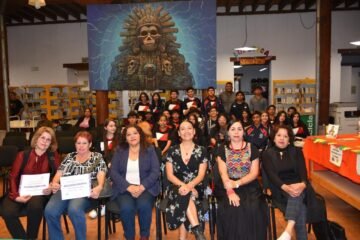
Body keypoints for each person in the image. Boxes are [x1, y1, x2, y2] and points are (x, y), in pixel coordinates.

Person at [44, 131, 107, 240]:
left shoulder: (97, 156)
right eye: (78, 143)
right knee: (50, 211)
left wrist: (100, 186)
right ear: (75, 145)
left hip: (84, 191)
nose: (81, 146)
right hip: (65, 190)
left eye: (84, 143)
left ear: (90, 144)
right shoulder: (69, 156)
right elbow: (59, 173)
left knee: (74, 209)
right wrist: (54, 183)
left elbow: (102, 172)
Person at [1, 127, 60, 239]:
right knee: (7, 212)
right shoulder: (22, 155)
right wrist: (16, 196)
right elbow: (13, 177)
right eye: (42, 138)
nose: (45, 141)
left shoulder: (53, 156)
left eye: (48, 140)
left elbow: (58, 175)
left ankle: (31, 237)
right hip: (19, 190)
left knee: (35, 206)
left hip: (41, 192)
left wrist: (52, 185)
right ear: (36, 138)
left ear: (51, 143)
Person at [214, 121, 267, 240]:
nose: (236, 132)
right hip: (227, 185)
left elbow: (254, 173)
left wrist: (237, 183)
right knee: (232, 207)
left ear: (244, 131)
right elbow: (223, 173)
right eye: (233, 129)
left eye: (239, 129)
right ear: (228, 132)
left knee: (254, 207)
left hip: (249, 184)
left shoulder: (252, 147)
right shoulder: (222, 148)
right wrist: (230, 191)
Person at [110, 125, 160, 240]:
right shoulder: (120, 150)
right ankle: (129, 236)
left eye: (135, 133)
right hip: (124, 188)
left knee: (144, 206)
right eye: (128, 134)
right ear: (125, 138)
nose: (132, 136)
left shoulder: (149, 149)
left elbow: (155, 171)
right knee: (126, 208)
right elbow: (113, 171)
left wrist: (142, 187)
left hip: (146, 187)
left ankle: (144, 236)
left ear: (140, 135)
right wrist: (128, 187)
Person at [262, 126, 308, 240]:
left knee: (297, 196)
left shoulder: (297, 152)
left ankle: (288, 230)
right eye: (279, 135)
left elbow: (303, 173)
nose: (282, 138)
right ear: (273, 138)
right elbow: (271, 175)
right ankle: (289, 232)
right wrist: (286, 188)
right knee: (300, 207)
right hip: (279, 188)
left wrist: (302, 184)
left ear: (289, 140)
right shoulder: (267, 154)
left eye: (285, 136)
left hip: (299, 186)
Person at [165, 120, 208, 240]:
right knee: (185, 195)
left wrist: (189, 186)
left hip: (196, 185)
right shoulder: (172, 151)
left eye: (189, 128)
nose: (186, 131)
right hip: (176, 185)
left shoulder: (202, 150)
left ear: (194, 131)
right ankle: (198, 231)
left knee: (185, 196)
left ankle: (183, 238)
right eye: (182, 129)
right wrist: (185, 187)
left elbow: (201, 175)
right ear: (179, 133)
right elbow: (170, 175)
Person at [88, 118, 119, 219]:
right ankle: (99, 204)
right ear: (105, 127)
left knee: (111, 173)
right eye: (110, 125)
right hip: (103, 165)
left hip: (117, 165)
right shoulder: (100, 140)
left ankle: (106, 205)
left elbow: (122, 155)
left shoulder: (119, 139)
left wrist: (113, 163)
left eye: (114, 125)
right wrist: (104, 164)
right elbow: (98, 156)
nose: (113, 128)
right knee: (97, 173)